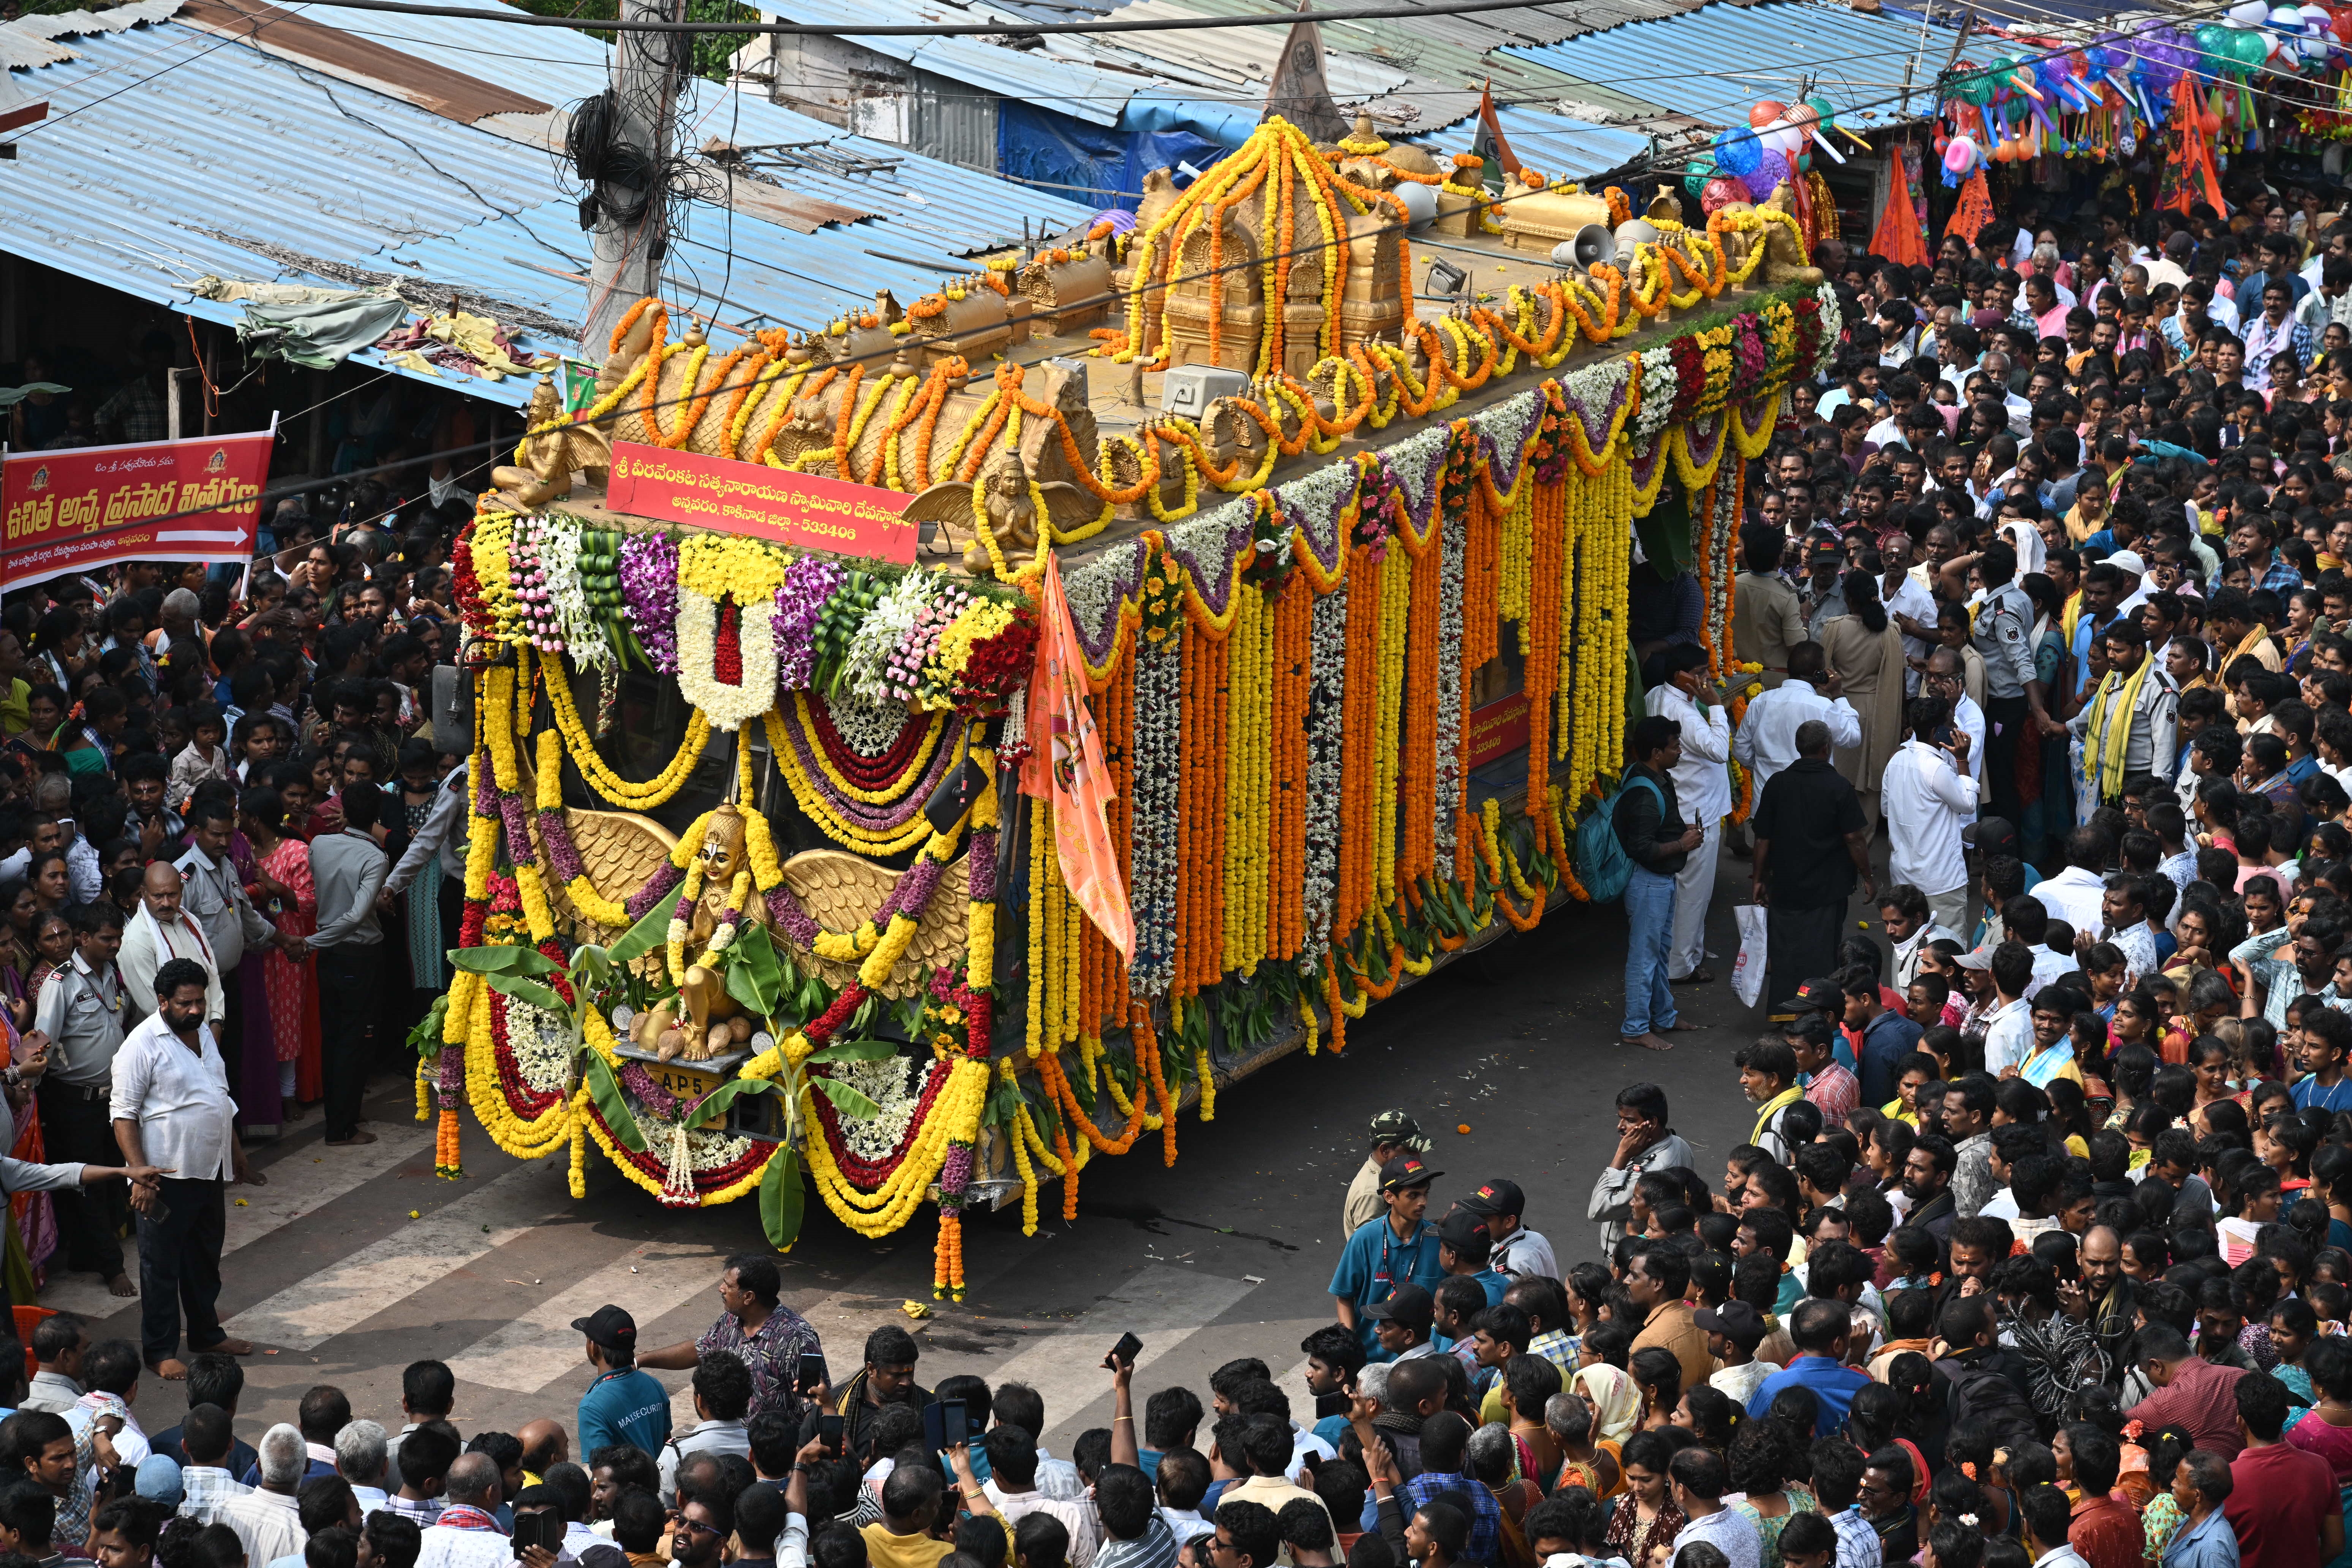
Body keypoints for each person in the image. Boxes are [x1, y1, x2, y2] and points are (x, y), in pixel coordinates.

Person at [111, 957, 262, 1379]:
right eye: (185, 1003)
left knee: (204, 1259)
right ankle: (160, 1351)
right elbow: (123, 1115)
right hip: (164, 1179)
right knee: (160, 1267)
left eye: (200, 1001)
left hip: (208, 1169)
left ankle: (205, 1334)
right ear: (162, 1002)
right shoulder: (140, 1046)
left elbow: (219, 1095)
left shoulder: (202, 1036)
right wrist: (139, 1175)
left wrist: (235, 1152)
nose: (195, 1010)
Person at [1750, 721, 1874, 1015]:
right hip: (1827, 888)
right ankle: (1817, 1013)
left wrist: (1758, 878)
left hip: (1785, 885)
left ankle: (1784, 1010)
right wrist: (1868, 877)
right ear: (1826, 748)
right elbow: (1854, 838)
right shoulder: (1839, 787)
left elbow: (1762, 838)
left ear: (1798, 748)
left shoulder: (1778, 783)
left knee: (1785, 951)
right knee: (1821, 953)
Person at [637, 1255, 824, 1425]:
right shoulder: (731, 1319)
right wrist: (640, 1361)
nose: (722, 1289)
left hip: (769, 1454)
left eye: (728, 1286)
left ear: (749, 1297)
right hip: (731, 1440)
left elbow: (815, 1408)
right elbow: (700, 1350)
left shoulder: (797, 1339)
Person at [1644, 646, 1732, 985]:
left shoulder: (1656, 696)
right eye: (1700, 673)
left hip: (1685, 805)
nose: (1707, 679)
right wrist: (1715, 707)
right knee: (1694, 893)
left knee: (1686, 891)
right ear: (1681, 677)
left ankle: (1690, 952)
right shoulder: (1688, 715)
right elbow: (1719, 751)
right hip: (1698, 812)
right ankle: (1681, 966)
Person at [305, 785, 387, 1148]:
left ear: (345, 813)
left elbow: (334, 894)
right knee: (354, 1040)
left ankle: (343, 1114)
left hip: (331, 956)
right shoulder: (375, 857)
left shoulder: (319, 845)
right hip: (357, 953)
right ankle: (342, 1128)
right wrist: (310, 943)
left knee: (335, 1035)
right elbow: (355, 914)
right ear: (377, 819)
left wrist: (316, 941)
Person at [1615, 714, 1702, 1051]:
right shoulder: (1645, 794)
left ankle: (1663, 1017)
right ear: (1656, 752)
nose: (1680, 752)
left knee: (1660, 951)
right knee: (1644, 957)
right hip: (1649, 883)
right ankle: (1635, 1027)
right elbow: (1642, 848)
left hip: (1661, 882)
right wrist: (1682, 845)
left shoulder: (1655, 776)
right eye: (1675, 747)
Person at [1881, 696, 1977, 941]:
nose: (1955, 728)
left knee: (1906, 948)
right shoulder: (1936, 768)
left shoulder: (1897, 760)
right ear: (1937, 732)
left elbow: (1885, 809)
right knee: (1948, 949)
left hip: (1904, 876)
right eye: (1951, 723)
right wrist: (1962, 760)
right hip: (1940, 881)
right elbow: (1968, 804)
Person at [1329, 1155, 1442, 1359]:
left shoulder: (1438, 1241)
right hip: (1369, 1360)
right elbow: (1344, 1296)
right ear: (1390, 1197)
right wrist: (1349, 1346)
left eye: (1426, 1194)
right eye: (1413, 1195)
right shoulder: (1365, 1239)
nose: (1423, 1202)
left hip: (1422, 1361)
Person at [1734, 643, 1863, 805]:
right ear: (1819, 675)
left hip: (1767, 800)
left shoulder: (1761, 701)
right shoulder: (1823, 707)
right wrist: (1838, 694)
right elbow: (1853, 738)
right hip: (1810, 803)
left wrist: (1763, 767)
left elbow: (1740, 749)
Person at [1587, 1083, 1694, 1253]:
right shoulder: (1678, 1143)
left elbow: (1598, 1210)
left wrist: (1621, 1155)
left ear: (1651, 1123)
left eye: (1630, 1120)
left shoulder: (1655, 1170)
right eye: (1620, 1118)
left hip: (1632, 1253)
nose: (1620, 1127)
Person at [573, 1307, 673, 1459]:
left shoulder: (592, 1408)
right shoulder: (653, 1385)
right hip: (660, 1481)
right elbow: (667, 1446)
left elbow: (602, 1472)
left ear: (593, 1347)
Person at [1341, 1113, 1428, 1236]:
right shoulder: (1372, 1195)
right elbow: (1373, 1247)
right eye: (1410, 1151)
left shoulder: (1388, 1175)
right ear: (1385, 1150)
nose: (1417, 1157)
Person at [1454, 1179, 1554, 1283]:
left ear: (1510, 1221)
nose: (1476, 1223)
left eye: (1484, 1218)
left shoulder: (1509, 1271)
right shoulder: (1536, 1237)